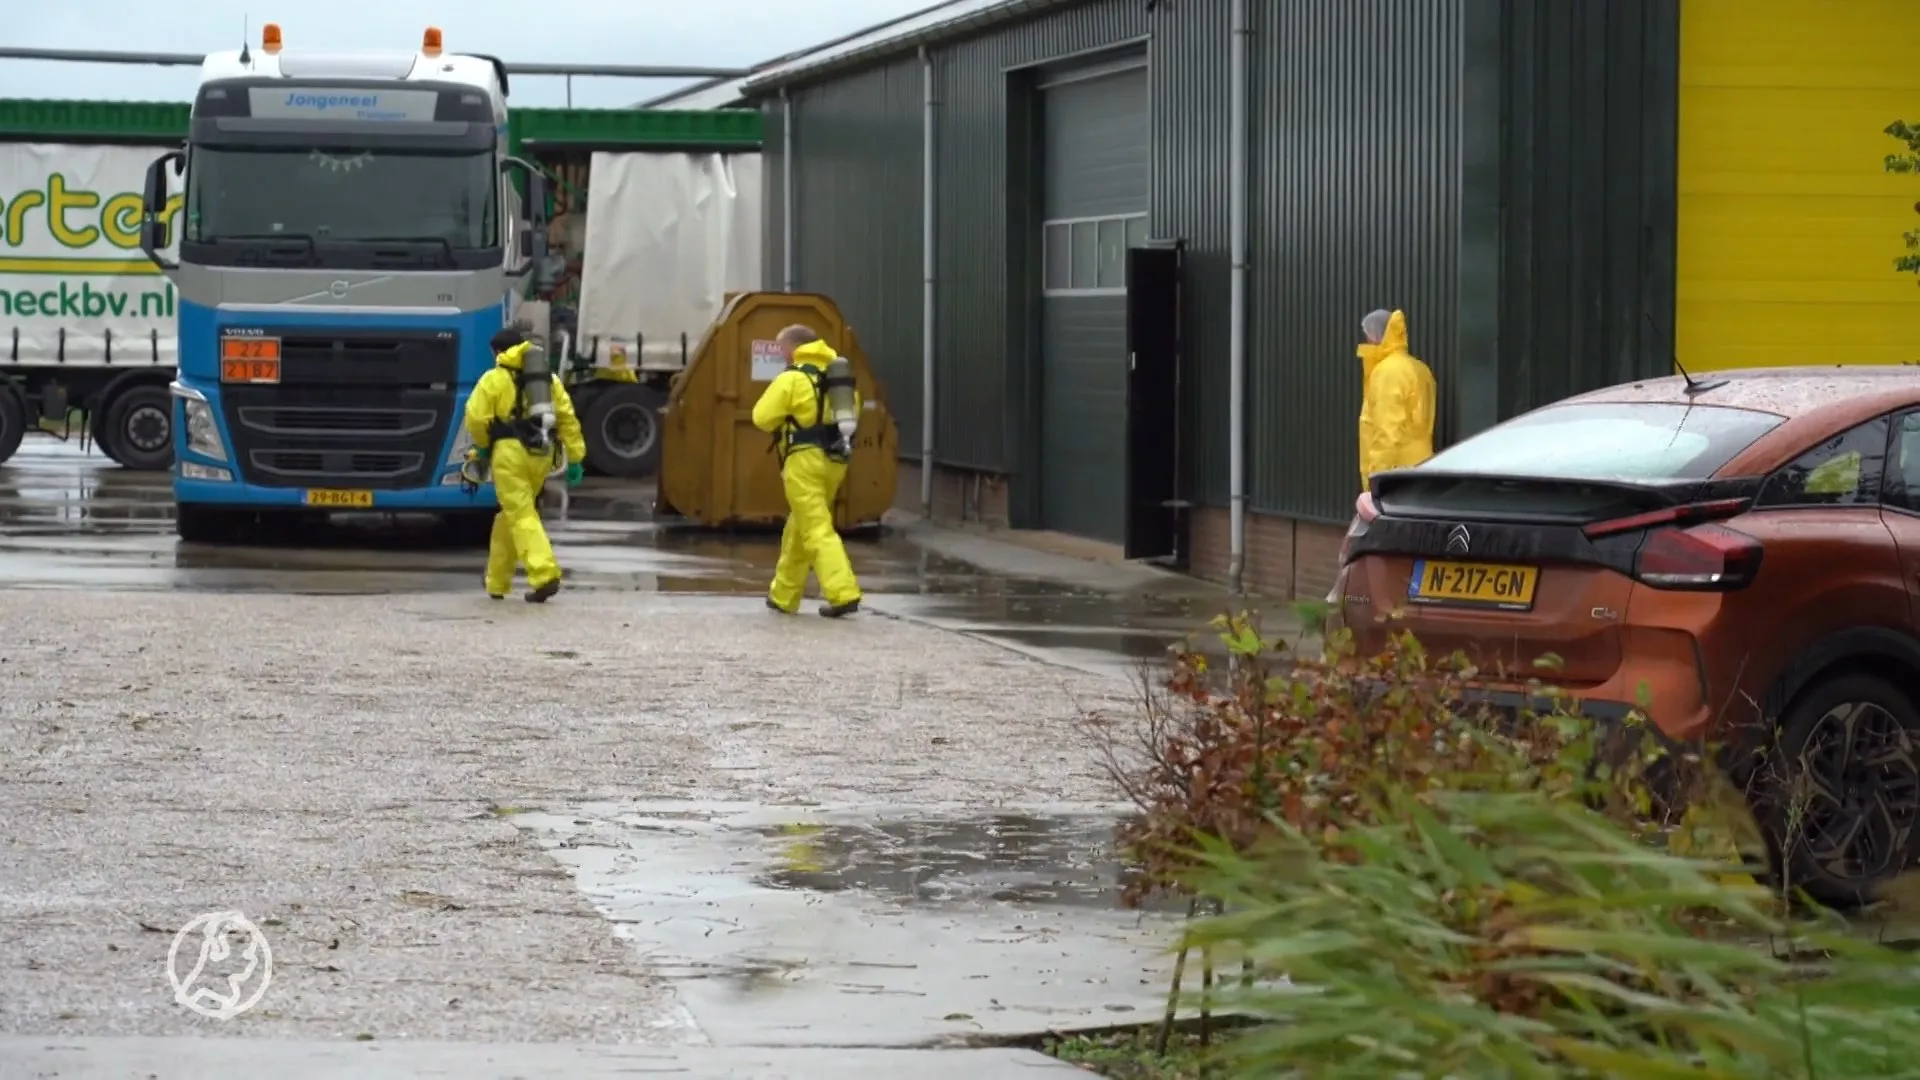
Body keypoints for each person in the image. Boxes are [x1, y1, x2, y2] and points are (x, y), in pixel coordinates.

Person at [463, 327, 586, 603]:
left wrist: (482, 447)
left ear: (497, 352)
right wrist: (576, 457)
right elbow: (567, 418)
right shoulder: (548, 381)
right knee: (510, 514)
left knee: (520, 513)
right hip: (541, 453)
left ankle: (544, 575)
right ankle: (497, 582)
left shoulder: (493, 379)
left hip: (509, 453)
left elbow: (475, 417)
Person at [751, 324, 863, 618]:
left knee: (815, 528)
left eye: (781, 348)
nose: (780, 354)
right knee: (799, 528)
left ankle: (843, 593)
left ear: (794, 347)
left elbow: (761, 418)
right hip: (835, 461)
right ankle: (783, 595)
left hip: (803, 461)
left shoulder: (793, 379)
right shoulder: (841, 382)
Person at [1355, 308, 1437, 492]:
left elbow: (1387, 433)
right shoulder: (1420, 369)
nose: (1366, 340)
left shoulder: (1387, 373)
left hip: (1396, 474)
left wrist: (1376, 481)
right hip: (1420, 466)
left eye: (1367, 335)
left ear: (1377, 336)